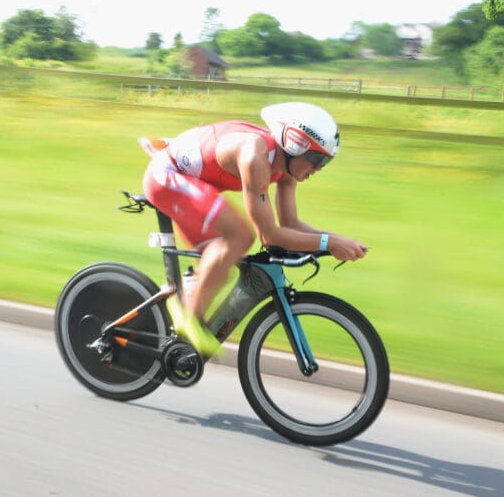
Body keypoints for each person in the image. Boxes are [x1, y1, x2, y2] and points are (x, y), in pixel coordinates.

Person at [140, 101, 368, 355]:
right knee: (239, 237)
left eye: (324, 162)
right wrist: (329, 244)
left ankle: (179, 335)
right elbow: (269, 235)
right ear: (293, 145)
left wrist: (337, 240)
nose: (318, 169)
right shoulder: (254, 156)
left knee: (219, 268)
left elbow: (291, 224)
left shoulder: (287, 170)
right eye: (315, 159)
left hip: (193, 182)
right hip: (167, 175)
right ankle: (187, 317)